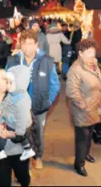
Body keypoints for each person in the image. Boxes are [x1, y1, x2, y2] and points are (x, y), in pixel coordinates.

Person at [6, 29, 60, 170]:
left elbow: (55, 84)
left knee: (38, 134)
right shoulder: (13, 61)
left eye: (30, 43)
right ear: (20, 45)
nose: (27, 47)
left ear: (36, 44)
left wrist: (47, 103)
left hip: (39, 107)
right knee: (19, 133)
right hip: (19, 107)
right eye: (24, 43)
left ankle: (38, 157)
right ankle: (23, 161)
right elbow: (6, 81)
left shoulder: (47, 61)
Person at [65, 39, 101, 176]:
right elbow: (71, 92)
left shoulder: (93, 64)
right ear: (80, 53)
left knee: (90, 134)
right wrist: (84, 105)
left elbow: (100, 79)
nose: (92, 56)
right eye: (89, 53)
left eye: (93, 53)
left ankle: (86, 154)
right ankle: (79, 164)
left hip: (95, 107)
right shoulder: (75, 70)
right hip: (82, 110)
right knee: (82, 139)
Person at [0, 65, 36, 162]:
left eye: (11, 83)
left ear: (20, 83)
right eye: (7, 82)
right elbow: (5, 102)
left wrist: (18, 133)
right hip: (13, 122)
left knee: (1, 135)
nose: (7, 85)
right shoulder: (12, 93)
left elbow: (22, 118)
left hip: (17, 126)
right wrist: (1, 108)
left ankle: (0, 152)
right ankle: (28, 149)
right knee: (23, 139)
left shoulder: (22, 100)